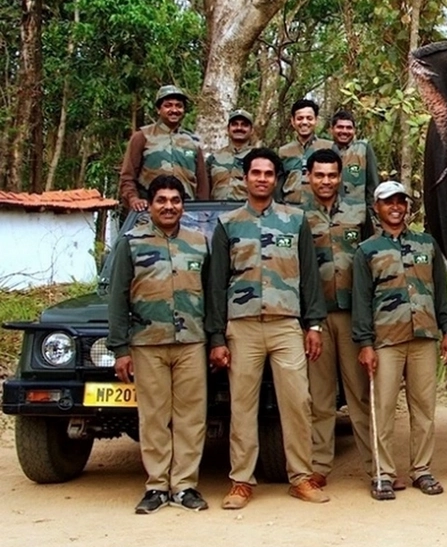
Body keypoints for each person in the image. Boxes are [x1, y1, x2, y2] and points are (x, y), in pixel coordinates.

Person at [206, 147, 329, 509]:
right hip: (242, 327)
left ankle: (301, 477)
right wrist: (216, 337)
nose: (262, 179)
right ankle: (241, 481)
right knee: (242, 406)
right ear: (245, 178)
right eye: (256, 173)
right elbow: (216, 284)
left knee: (297, 401)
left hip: (286, 324)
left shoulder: (295, 220)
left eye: (269, 173)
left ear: (277, 179)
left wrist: (315, 325)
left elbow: (309, 277)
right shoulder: (228, 224)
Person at [107, 175, 211, 514]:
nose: (169, 206)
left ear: (183, 205)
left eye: (175, 200)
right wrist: (120, 348)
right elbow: (118, 296)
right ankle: (156, 486)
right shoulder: (132, 242)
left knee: (191, 417)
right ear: (149, 205)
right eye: (161, 200)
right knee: (153, 417)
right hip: (147, 343)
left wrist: (215, 339)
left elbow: (211, 295)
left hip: (191, 342)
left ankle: (184, 486)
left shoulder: (199, 242)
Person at [353, 181, 447, 500]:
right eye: (388, 202)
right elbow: (361, 299)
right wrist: (365, 343)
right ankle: (383, 473)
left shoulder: (427, 244)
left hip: (424, 336)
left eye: (400, 201)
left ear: (407, 206)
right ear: (377, 208)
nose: (395, 207)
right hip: (386, 340)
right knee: (383, 408)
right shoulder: (367, 250)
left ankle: (422, 470)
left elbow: (440, 290)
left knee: (423, 408)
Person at [303, 148, 375, 488]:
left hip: (351, 316)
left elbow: (372, 257)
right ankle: (318, 466)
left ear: (341, 176)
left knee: (360, 395)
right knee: (320, 397)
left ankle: (377, 467)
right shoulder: (296, 216)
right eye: (320, 175)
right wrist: (309, 322)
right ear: (309, 177)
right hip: (315, 318)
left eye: (332, 175)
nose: (326, 181)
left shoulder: (358, 212)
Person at [119, 84, 210, 212]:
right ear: (158, 109)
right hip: (150, 211)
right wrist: (133, 199)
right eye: (168, 105)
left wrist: (203, 214)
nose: (174, 110)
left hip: (187, 213)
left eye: (179, 106)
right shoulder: (142, 137)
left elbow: (202, 184)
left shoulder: (193, 141)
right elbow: (127, 177)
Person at [278, 98, 334, 205]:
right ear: (293, 121)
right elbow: (278, 185)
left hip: (319, 210)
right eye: (300, 118)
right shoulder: (284, 151)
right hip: (290, 209)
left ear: (316, 120)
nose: (304, 122)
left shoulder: (329, 148)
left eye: (309, 118)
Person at [329, 109, 380, 214]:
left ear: (354, 130)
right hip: (330, 214)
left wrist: (370, 213)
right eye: (340, 127)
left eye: (349, 128)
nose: (344, 131)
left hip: (357, 213)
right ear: (332, 129)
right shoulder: (324, 149)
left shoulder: (363, 148)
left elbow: (373, 184)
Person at [207, 109, 255, 201]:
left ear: (251, 130)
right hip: (217, 210)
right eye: (235, 124)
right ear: (228, 129)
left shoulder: (260, 158)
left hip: (247, 211)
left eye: (244, 125)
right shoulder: (214, 158)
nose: (239, 128)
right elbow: (204, 189)